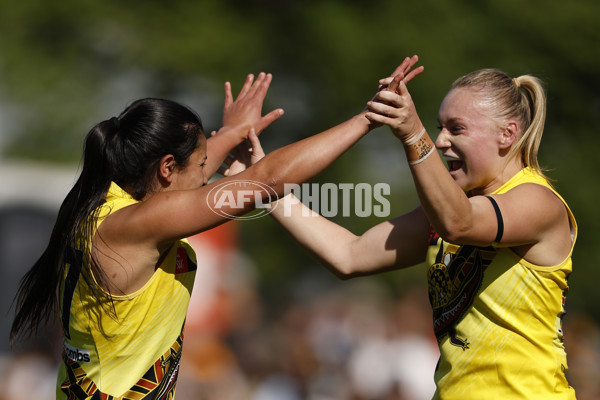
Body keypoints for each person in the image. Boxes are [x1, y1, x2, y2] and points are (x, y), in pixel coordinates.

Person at [9, 59, 423, 399]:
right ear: (167, 168)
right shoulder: (142, 222)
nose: (210, 177)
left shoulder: (108, 207)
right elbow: (269, 179)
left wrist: (228, 134)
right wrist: (368, 120)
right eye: (204, 165)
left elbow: (200, 173)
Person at [234, 61, 577, 399]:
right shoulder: (449, 208)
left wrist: (414, 134)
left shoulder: (538, 201)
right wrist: (264, 188)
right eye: (438, 127)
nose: (441, 141)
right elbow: (348, 255)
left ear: (508, 134)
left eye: (456, 129)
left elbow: (460, 223)